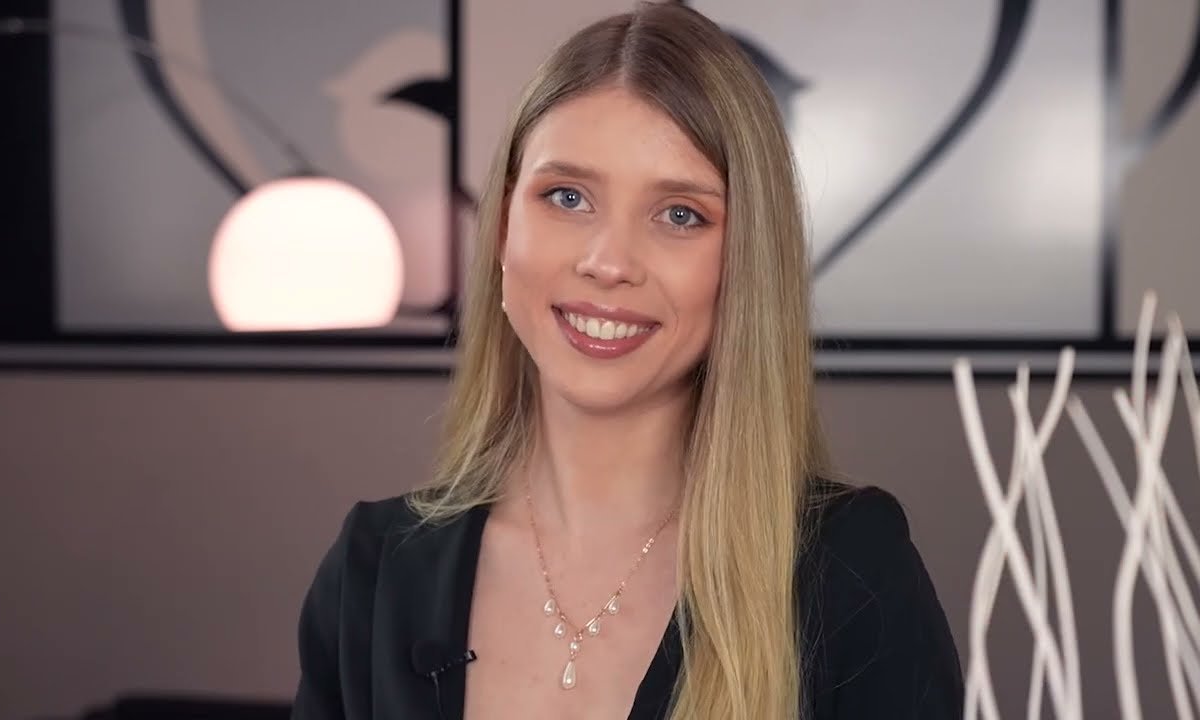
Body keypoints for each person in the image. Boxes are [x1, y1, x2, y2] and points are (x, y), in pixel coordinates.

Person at [292, 3, 963, 718]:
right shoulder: (373, 572)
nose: (609, 263)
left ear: (746, 263)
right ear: (503, 227)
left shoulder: (849, 572)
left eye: (680, 214)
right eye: (567, 197)